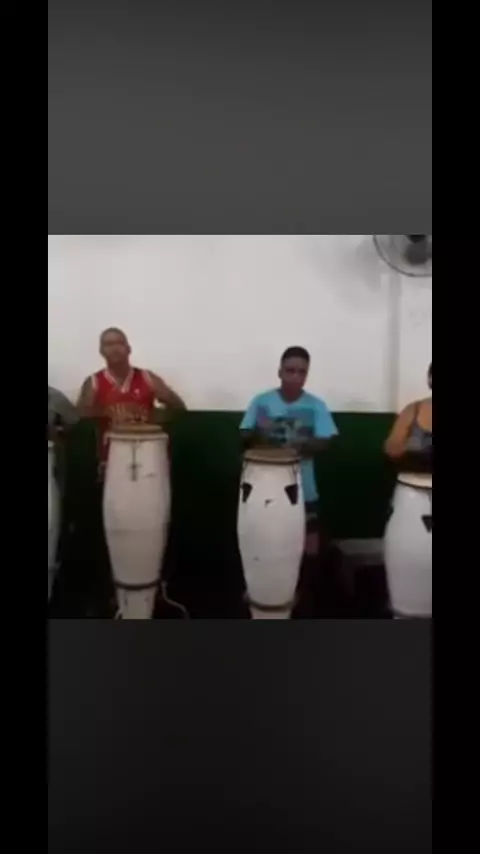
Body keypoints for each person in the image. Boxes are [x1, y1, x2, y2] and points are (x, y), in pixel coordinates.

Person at [239, 346, 338, 558]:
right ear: (280, 372)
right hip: (263, 486)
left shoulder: (316, 406)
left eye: (302, 372)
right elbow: (244, 434)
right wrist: (261, 439)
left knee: (309, 545)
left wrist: (299, 448)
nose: (295, 377)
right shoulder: (261, 402)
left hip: (304, 488)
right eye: (290, 370)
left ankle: (305, 579)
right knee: (263, 541)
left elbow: (326, 440)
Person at [77, 327, 186, 469]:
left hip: (147, 455)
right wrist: (100, 412)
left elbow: (179, 407)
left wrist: (158, 416)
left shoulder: (147, 378)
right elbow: (79, 420)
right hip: (111, 458)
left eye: (119, 343)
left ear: (129, 349)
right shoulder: (93, 382)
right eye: (108, 344)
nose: (114, 348)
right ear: (101, 351)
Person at [384, 363, 432, 464]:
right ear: (430, 379)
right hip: (412, 472)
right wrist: (398, 448)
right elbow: (391, 448)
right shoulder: (412, 410)